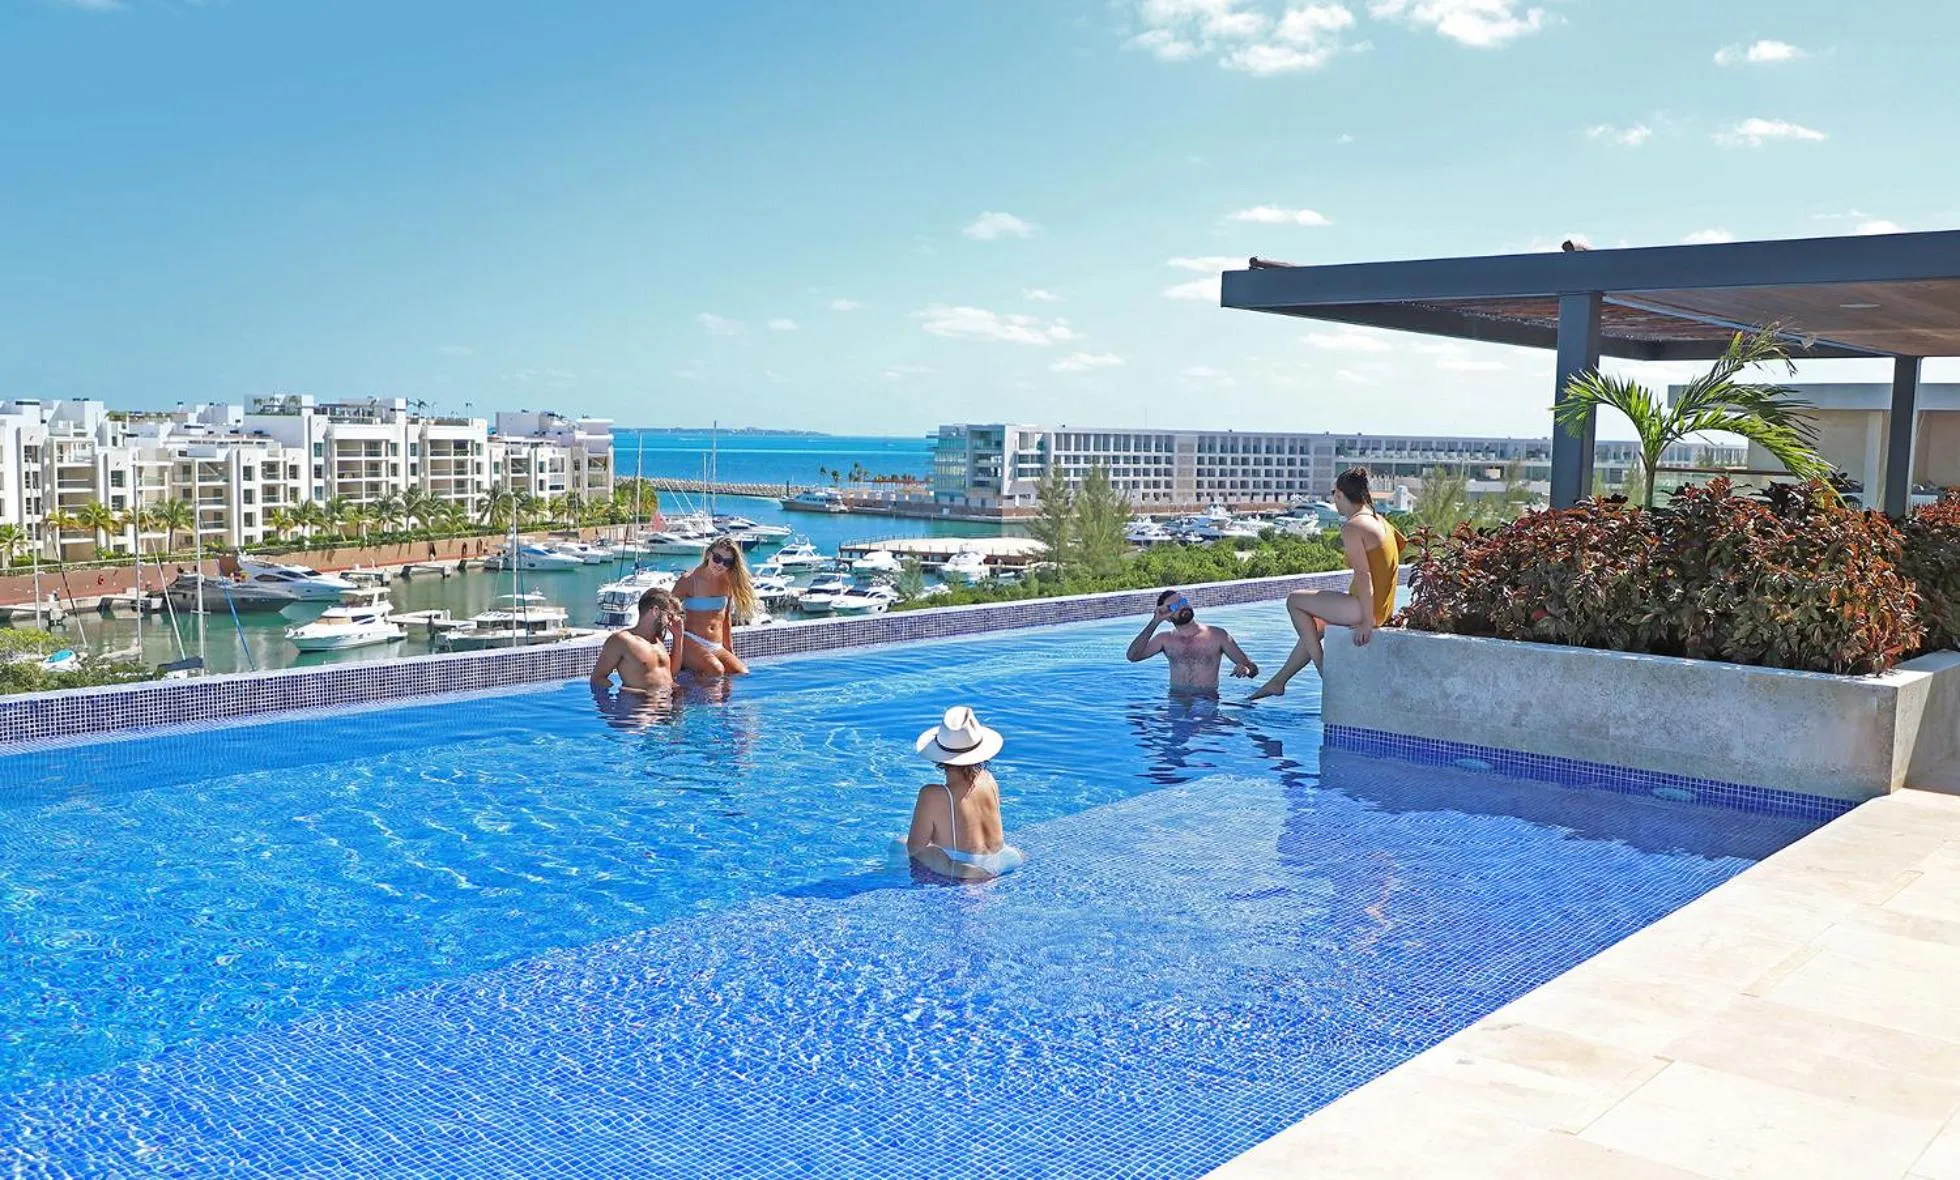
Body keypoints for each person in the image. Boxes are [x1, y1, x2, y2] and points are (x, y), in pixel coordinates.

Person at [1250, 466, 1402, 701]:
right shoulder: (1380, 520)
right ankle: (1278, 681)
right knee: (1316, 625)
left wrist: (1365, 622)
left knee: (1295, 601)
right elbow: (1399, 549)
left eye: (1333, 494)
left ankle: (1323, 669)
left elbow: (1364, 576)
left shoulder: (1354, 526)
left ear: (1340, 495)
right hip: (1383, 607)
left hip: (1366, 610)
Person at [906, 706, 1025, 881]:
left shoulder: (932, 794)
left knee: (899, 844)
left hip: (967, 869)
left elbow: (915, 848)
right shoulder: (988, 779)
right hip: (1005, 859)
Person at [1125, 589, 1259, 693]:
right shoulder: (1164, 639)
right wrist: (1154, 622)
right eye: (1173, 607)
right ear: (1166, 616)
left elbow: (1253, 670)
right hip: (1176, 702)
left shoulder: (1218, 635)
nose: (1181, 607)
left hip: (1207, 701)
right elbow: (1133, 656)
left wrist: (1246, 670)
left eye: (1182, 602)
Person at [671, 536, 754, 677]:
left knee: (741, 673)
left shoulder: (728, 581)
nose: (720, 564)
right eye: (717, 558)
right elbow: (667, 612)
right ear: (709, 554)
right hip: (690, 641)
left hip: (716, 645)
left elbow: (725, 617)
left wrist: (729, 649)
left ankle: (724, 700)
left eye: (727, 562)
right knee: (716, 670)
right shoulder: (689, 580)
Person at [589, 586, 685, 692]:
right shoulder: (622, 640)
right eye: (669, 616)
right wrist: (621, 699)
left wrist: (678, 636)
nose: (670, 623)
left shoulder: (657, 642)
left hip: (665, 704)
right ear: (655, 611)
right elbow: (597, 679)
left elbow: (671, 673)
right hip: (641, 706)